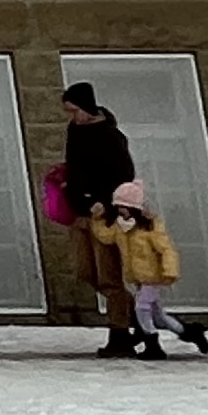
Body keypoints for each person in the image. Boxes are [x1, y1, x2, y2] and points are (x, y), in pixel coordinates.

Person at [57, 83, 139, 354]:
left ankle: (120, 332)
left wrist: (105, 200)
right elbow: (76, 165)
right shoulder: (75, 133)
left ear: (87, 108)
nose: (72, 116)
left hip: (103, 214)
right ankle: (136, 315)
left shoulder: (110, 136)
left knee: (109, 276)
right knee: (85, 271)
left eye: (74, 110)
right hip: (79, 211)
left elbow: (124, 173)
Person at [107, 181, 208, 358]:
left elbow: (166, 249)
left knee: (141, 308)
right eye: (118, 207)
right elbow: (106, 236)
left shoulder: (150, 227)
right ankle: (190, 332)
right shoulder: (122, 228)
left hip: (153, 277)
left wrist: (170, 271)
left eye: (123, 207)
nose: (120, 212)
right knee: (158, 317)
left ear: (133, 208)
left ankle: (152, 344)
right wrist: (96, 219)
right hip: (140, 278)